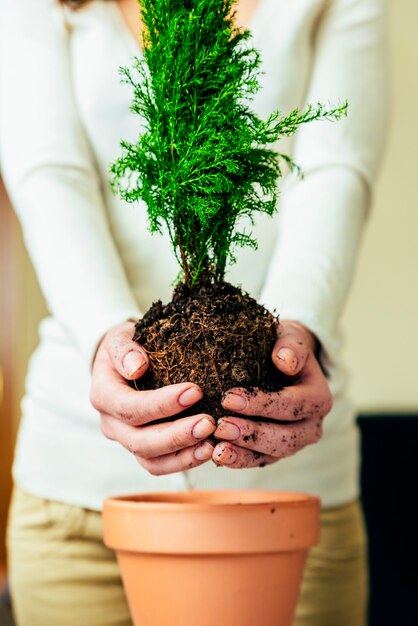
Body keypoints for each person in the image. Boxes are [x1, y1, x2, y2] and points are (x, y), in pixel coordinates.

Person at [0, 0, 388, 624]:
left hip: (290, 499)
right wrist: (109, 338)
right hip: (78, 490)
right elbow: (49, 174)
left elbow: (336, 168)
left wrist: (301, 335)